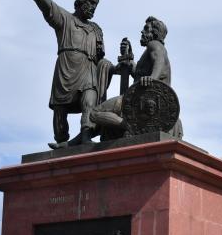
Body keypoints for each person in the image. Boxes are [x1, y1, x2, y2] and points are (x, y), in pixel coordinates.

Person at [17, 0, 117, 145]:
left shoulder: (96, 29)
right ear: (79, 3)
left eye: (96, 6)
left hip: (88, 71)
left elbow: (99, 61)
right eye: (90, 5)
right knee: (60, 111)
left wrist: (113, 68)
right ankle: (62, 141)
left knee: (90, 100)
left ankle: (87, 136)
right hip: (66, 70)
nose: (93, 10)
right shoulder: (64, 20)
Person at [52, 16, 183, 146]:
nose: (142, 32)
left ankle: (129, 124)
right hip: (144, 97)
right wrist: (130, 61)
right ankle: (73, 142)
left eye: (146, 29)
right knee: (103, 123)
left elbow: (158, 60)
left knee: (95, 114)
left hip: (142, 99)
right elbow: (140, 74)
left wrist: (152, 78)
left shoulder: (154, 45)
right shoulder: (150, 51)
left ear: (154, 32)